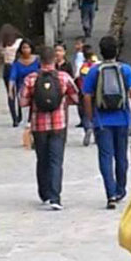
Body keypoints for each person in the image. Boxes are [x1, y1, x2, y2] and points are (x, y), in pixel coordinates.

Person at [82, 36, 131, 209]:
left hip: (102, 121)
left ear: (101, 52)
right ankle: (120, 189)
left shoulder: (94, 71)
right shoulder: (125, 69)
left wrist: (90, 117)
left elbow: (87, 97)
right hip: (122, 119)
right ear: (116, 51)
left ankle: (110, 194)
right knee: (121, 156)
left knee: (105, 157)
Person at [19, 46, 80, 210]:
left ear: (40, 61)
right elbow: (76, 97)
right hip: (58, 124)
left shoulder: (31, 78)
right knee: (56, 160)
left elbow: (22, 102)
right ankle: (55, 197)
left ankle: (44, 193)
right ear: (54, 60)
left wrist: (35, 100)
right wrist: (63, 100)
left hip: (38, 126)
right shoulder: (63, 77)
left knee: (42, 159)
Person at [0, 24, 23, 127]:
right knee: (20, 91)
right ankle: (20, 115)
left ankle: (14, 118)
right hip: (17, 66)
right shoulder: (19, 42)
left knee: (10, 93)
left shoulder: (2, 45)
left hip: (7, 67)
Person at [7, 40, 41, 127]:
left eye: (27, 47)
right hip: (22, 88)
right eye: (23, 48)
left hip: (36, 86)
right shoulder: (17, 63)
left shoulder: (37, 60)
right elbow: (12, 77)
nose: (26, 50)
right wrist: (10, 90)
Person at [76, 45, 98, 145]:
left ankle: (88, 128)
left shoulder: (84, 67)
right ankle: (97, 135)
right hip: (97, 93)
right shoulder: (97, 63)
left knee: (85, 114)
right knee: (96, 113)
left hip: (85, 93)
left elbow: (81, 80)